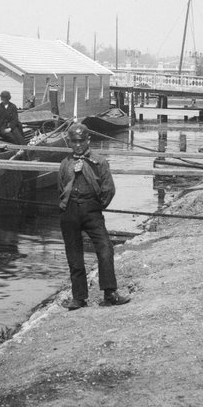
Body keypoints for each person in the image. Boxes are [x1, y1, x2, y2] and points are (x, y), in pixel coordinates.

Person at [56, 122, 129, 309]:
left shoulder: (99, 162)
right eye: (74, 141)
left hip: (92, 211)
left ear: (88, 140)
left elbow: (108, 189)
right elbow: (61, 187)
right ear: (69, 142)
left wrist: (96, 206)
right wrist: (68, 205)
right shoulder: (65, 164)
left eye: (81, 141)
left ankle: (110, 293)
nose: (78, 144)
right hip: (70, 210)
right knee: (74, 255)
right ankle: (79, 298)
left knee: (105, 249)